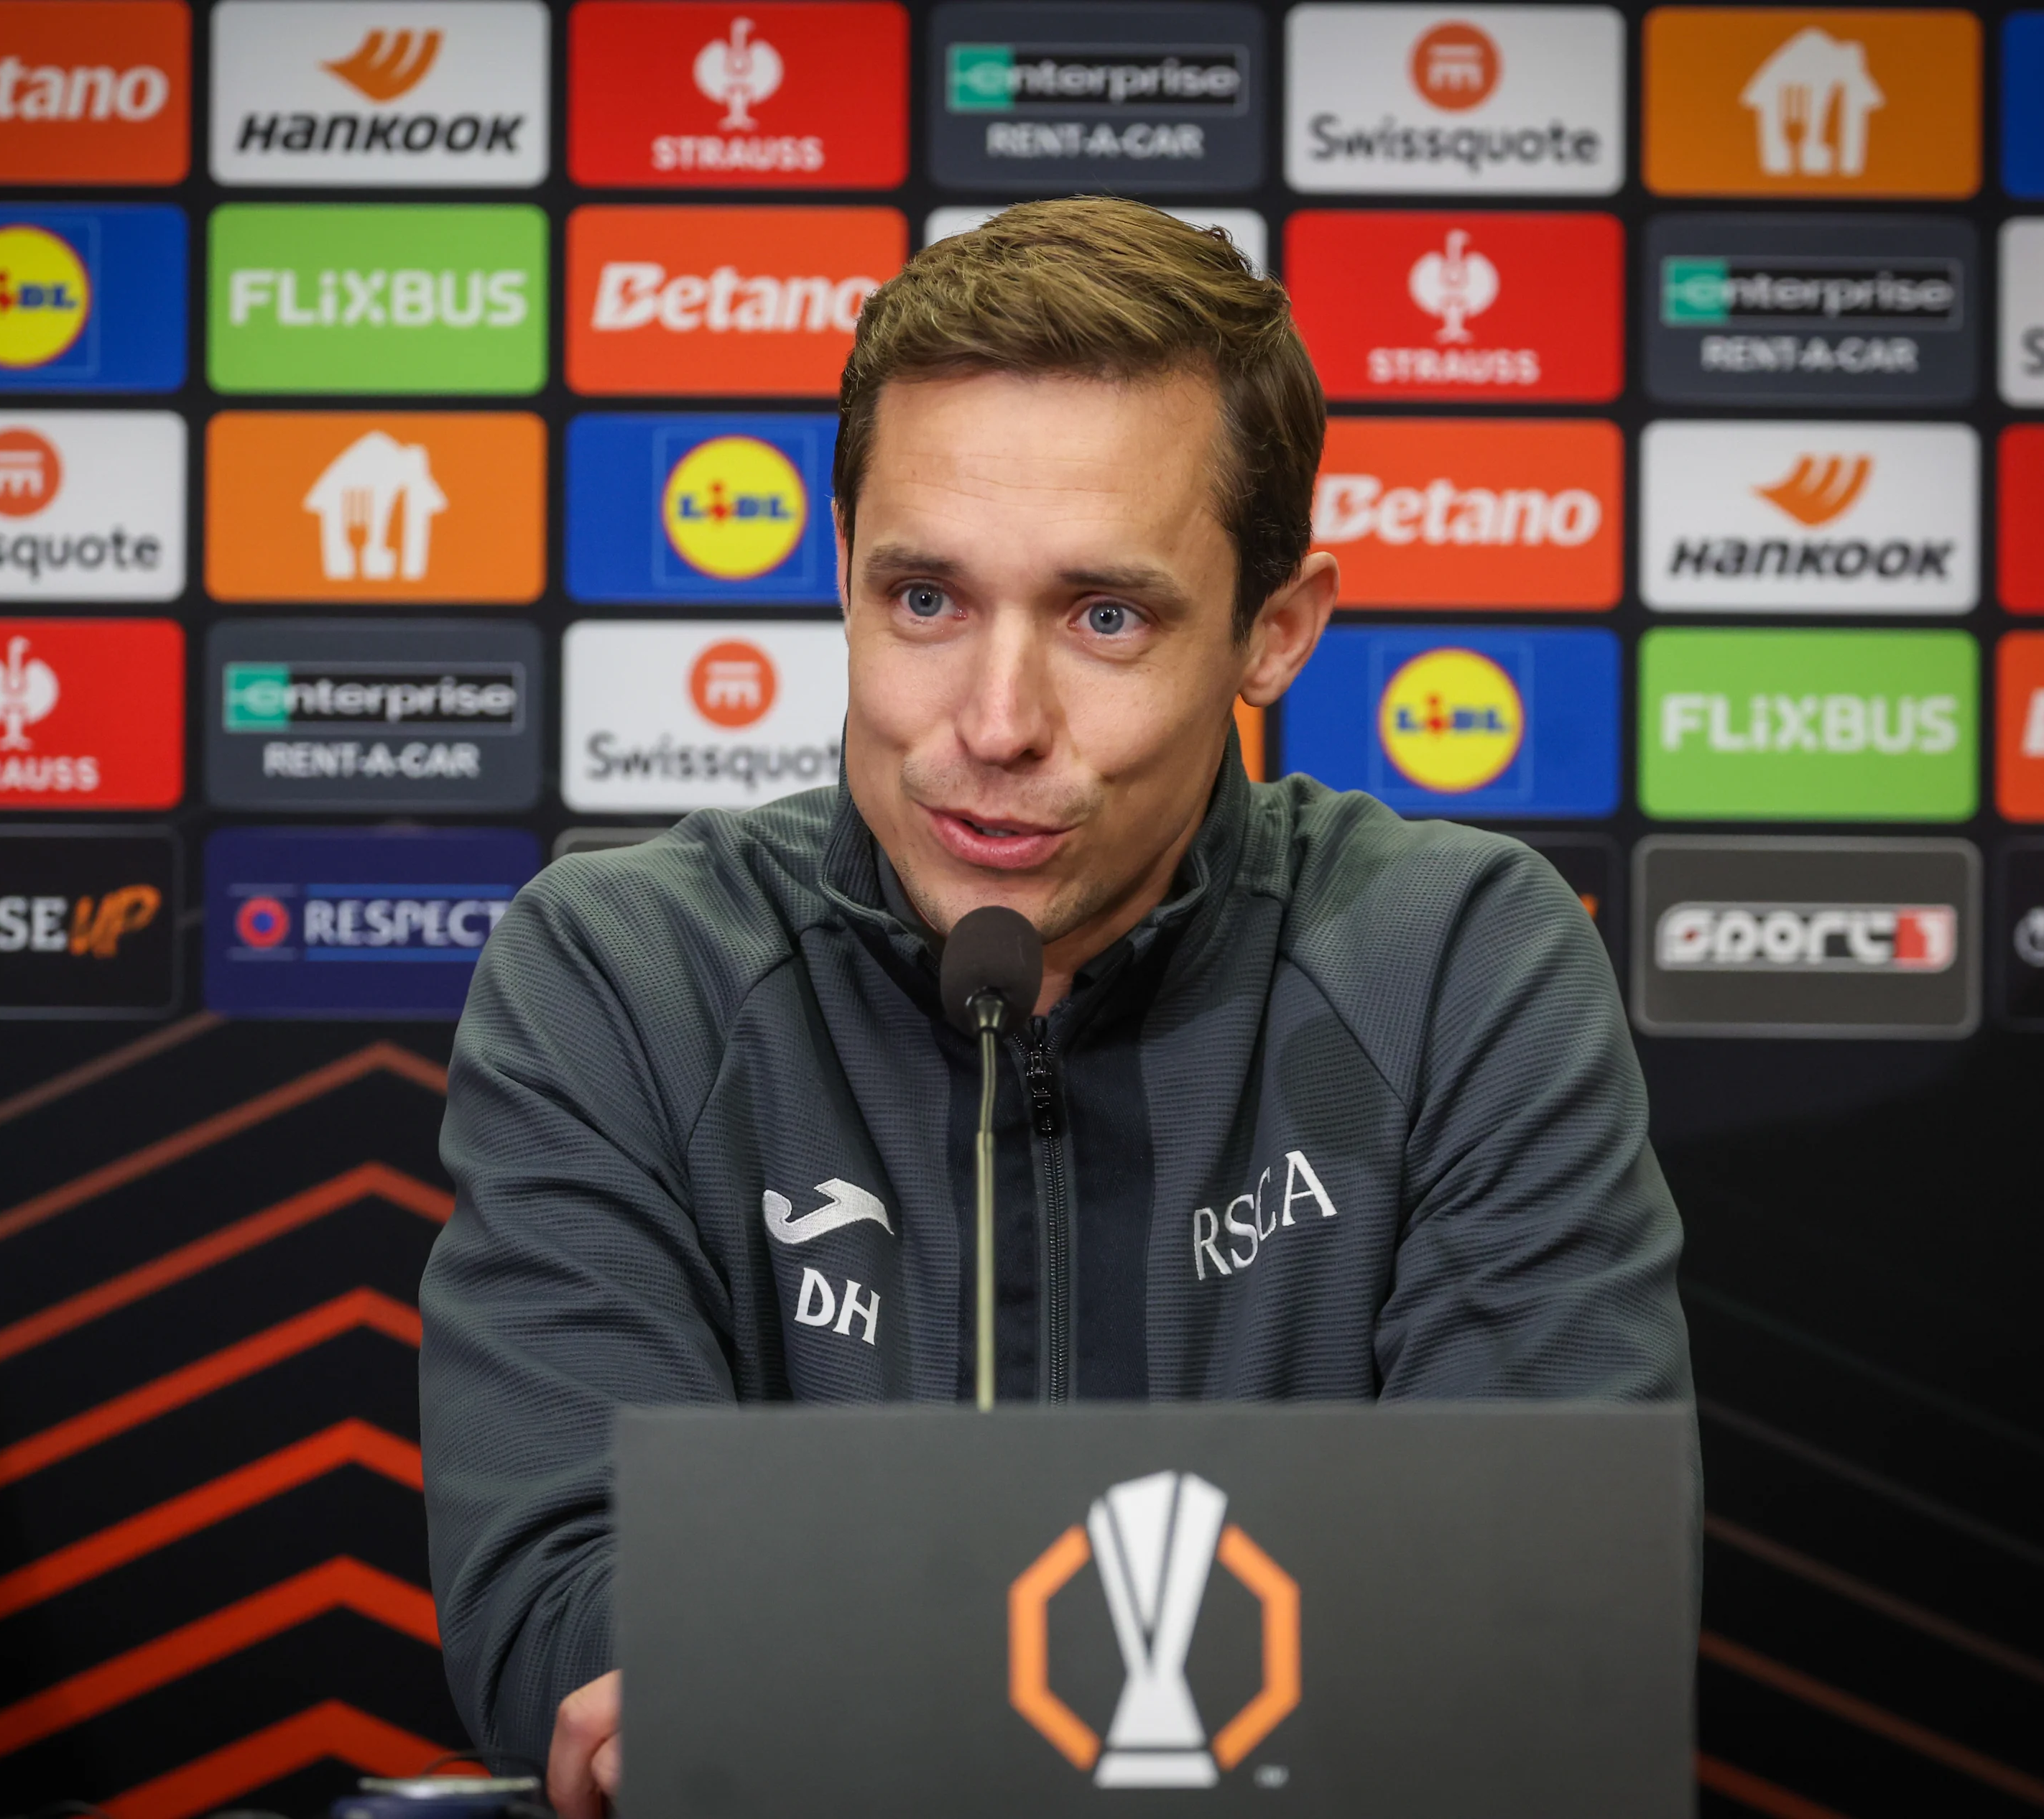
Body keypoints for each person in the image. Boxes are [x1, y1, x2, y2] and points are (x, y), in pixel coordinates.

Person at [420, 197, 1691, 1817]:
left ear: (1273, 632)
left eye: (1107, 616)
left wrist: (824, 1679)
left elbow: (1548, 1626)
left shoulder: (1453, 962)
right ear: (843, 583)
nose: (996, 721)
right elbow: (564, 1626)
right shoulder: (623, 975)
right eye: (927, 601)